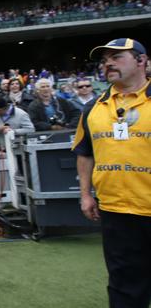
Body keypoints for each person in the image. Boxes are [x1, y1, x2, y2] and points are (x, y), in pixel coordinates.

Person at [73, 38, 150, 308]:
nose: (107, 63)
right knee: (124, 286)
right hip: (116, 212)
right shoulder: (93, 107)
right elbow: (85, 153)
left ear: (142, 61)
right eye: (105, 59)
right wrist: (85, 195)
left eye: (117, 57)